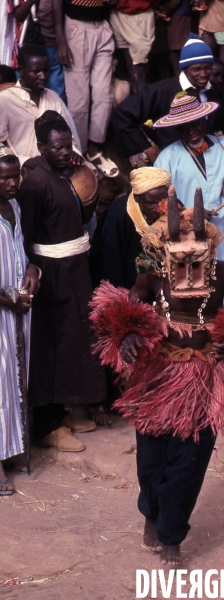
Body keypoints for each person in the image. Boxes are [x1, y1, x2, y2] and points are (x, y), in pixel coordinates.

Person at [90, 187, 224, 565]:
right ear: (163, 247)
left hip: (206, 379)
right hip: (158, 377)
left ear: (209, 243)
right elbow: (118, 311)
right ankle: (152, 512)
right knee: (151, 460)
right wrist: (126, 334)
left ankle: (172, 534)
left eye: (197, 244)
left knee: (190, 460)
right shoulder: (151, 280)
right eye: (179, 245)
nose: (188, 253)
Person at [17, 111, 107, 451]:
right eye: (58, 148)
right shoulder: (36, 185)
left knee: (73, 342)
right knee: (50, 347)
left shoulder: (69, 173)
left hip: (75, 269)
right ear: (42, 149)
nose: (66, 152)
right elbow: (25, 237)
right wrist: (33, 271)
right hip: (51, 275)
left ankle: (65, 412)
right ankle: (48, 425)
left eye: (68, 146)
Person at [153, 92, 224, 291]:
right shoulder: (167, 158)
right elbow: (157, 200)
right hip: (190, 236)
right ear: (177, 128)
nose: (191, 131)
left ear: (203, 120)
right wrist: (187, 214)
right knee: (200, 289)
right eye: (184, 127)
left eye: (195, 123)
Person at [112, 34, 223, 167]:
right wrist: (148, 149)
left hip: (211, 160)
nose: (203, 74)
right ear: (184, 69)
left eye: (207, 68)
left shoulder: (215, 90)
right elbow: (121, 114)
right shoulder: (162, 90)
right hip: (175, 163)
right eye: (196, 69)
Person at [0, 146, 40, 495]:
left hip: (17, 310)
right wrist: (6, 299)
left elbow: (21, 252)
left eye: (15, 176)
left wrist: (32, 270)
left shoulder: (13, 207)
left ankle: (11, 450)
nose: (12, 183)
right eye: (4, 177)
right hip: (3, 308)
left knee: (14, 382)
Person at [55, 0, 119, 177]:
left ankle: (94, 149)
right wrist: (60, 40)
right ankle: (79, 152)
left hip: (102, 26)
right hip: (77, 26)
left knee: (104, 94)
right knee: (79, 99)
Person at [0, 44, 82, 167]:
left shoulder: (53, 97)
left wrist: (74, 152)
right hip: (21, 173)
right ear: (21, 70)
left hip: (55, 171)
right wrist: (23, 161)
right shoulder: (5, 100)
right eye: (36, 71)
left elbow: (68, 134)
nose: (43, 76)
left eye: (46, 70)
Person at [90, 166, 172, 289]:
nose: (158, 206)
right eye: (150, 203)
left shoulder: (173, 206)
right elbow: (109, 262)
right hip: (128, 284)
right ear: (137, 198)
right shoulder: (117, 215)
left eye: (163, 199)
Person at [13, 0, 66, 101]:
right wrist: (29, 3)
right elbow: (18, 16)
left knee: (56, 93)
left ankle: (55, 115)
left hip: (52, 47)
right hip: (29, 50)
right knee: (24, 94)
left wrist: (61, 43)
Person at [109, 0, 155, 93]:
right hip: (119, 15)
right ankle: (135, 101)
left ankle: (141, 101)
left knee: (139, 59)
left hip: (143, 14)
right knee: (125, 64)